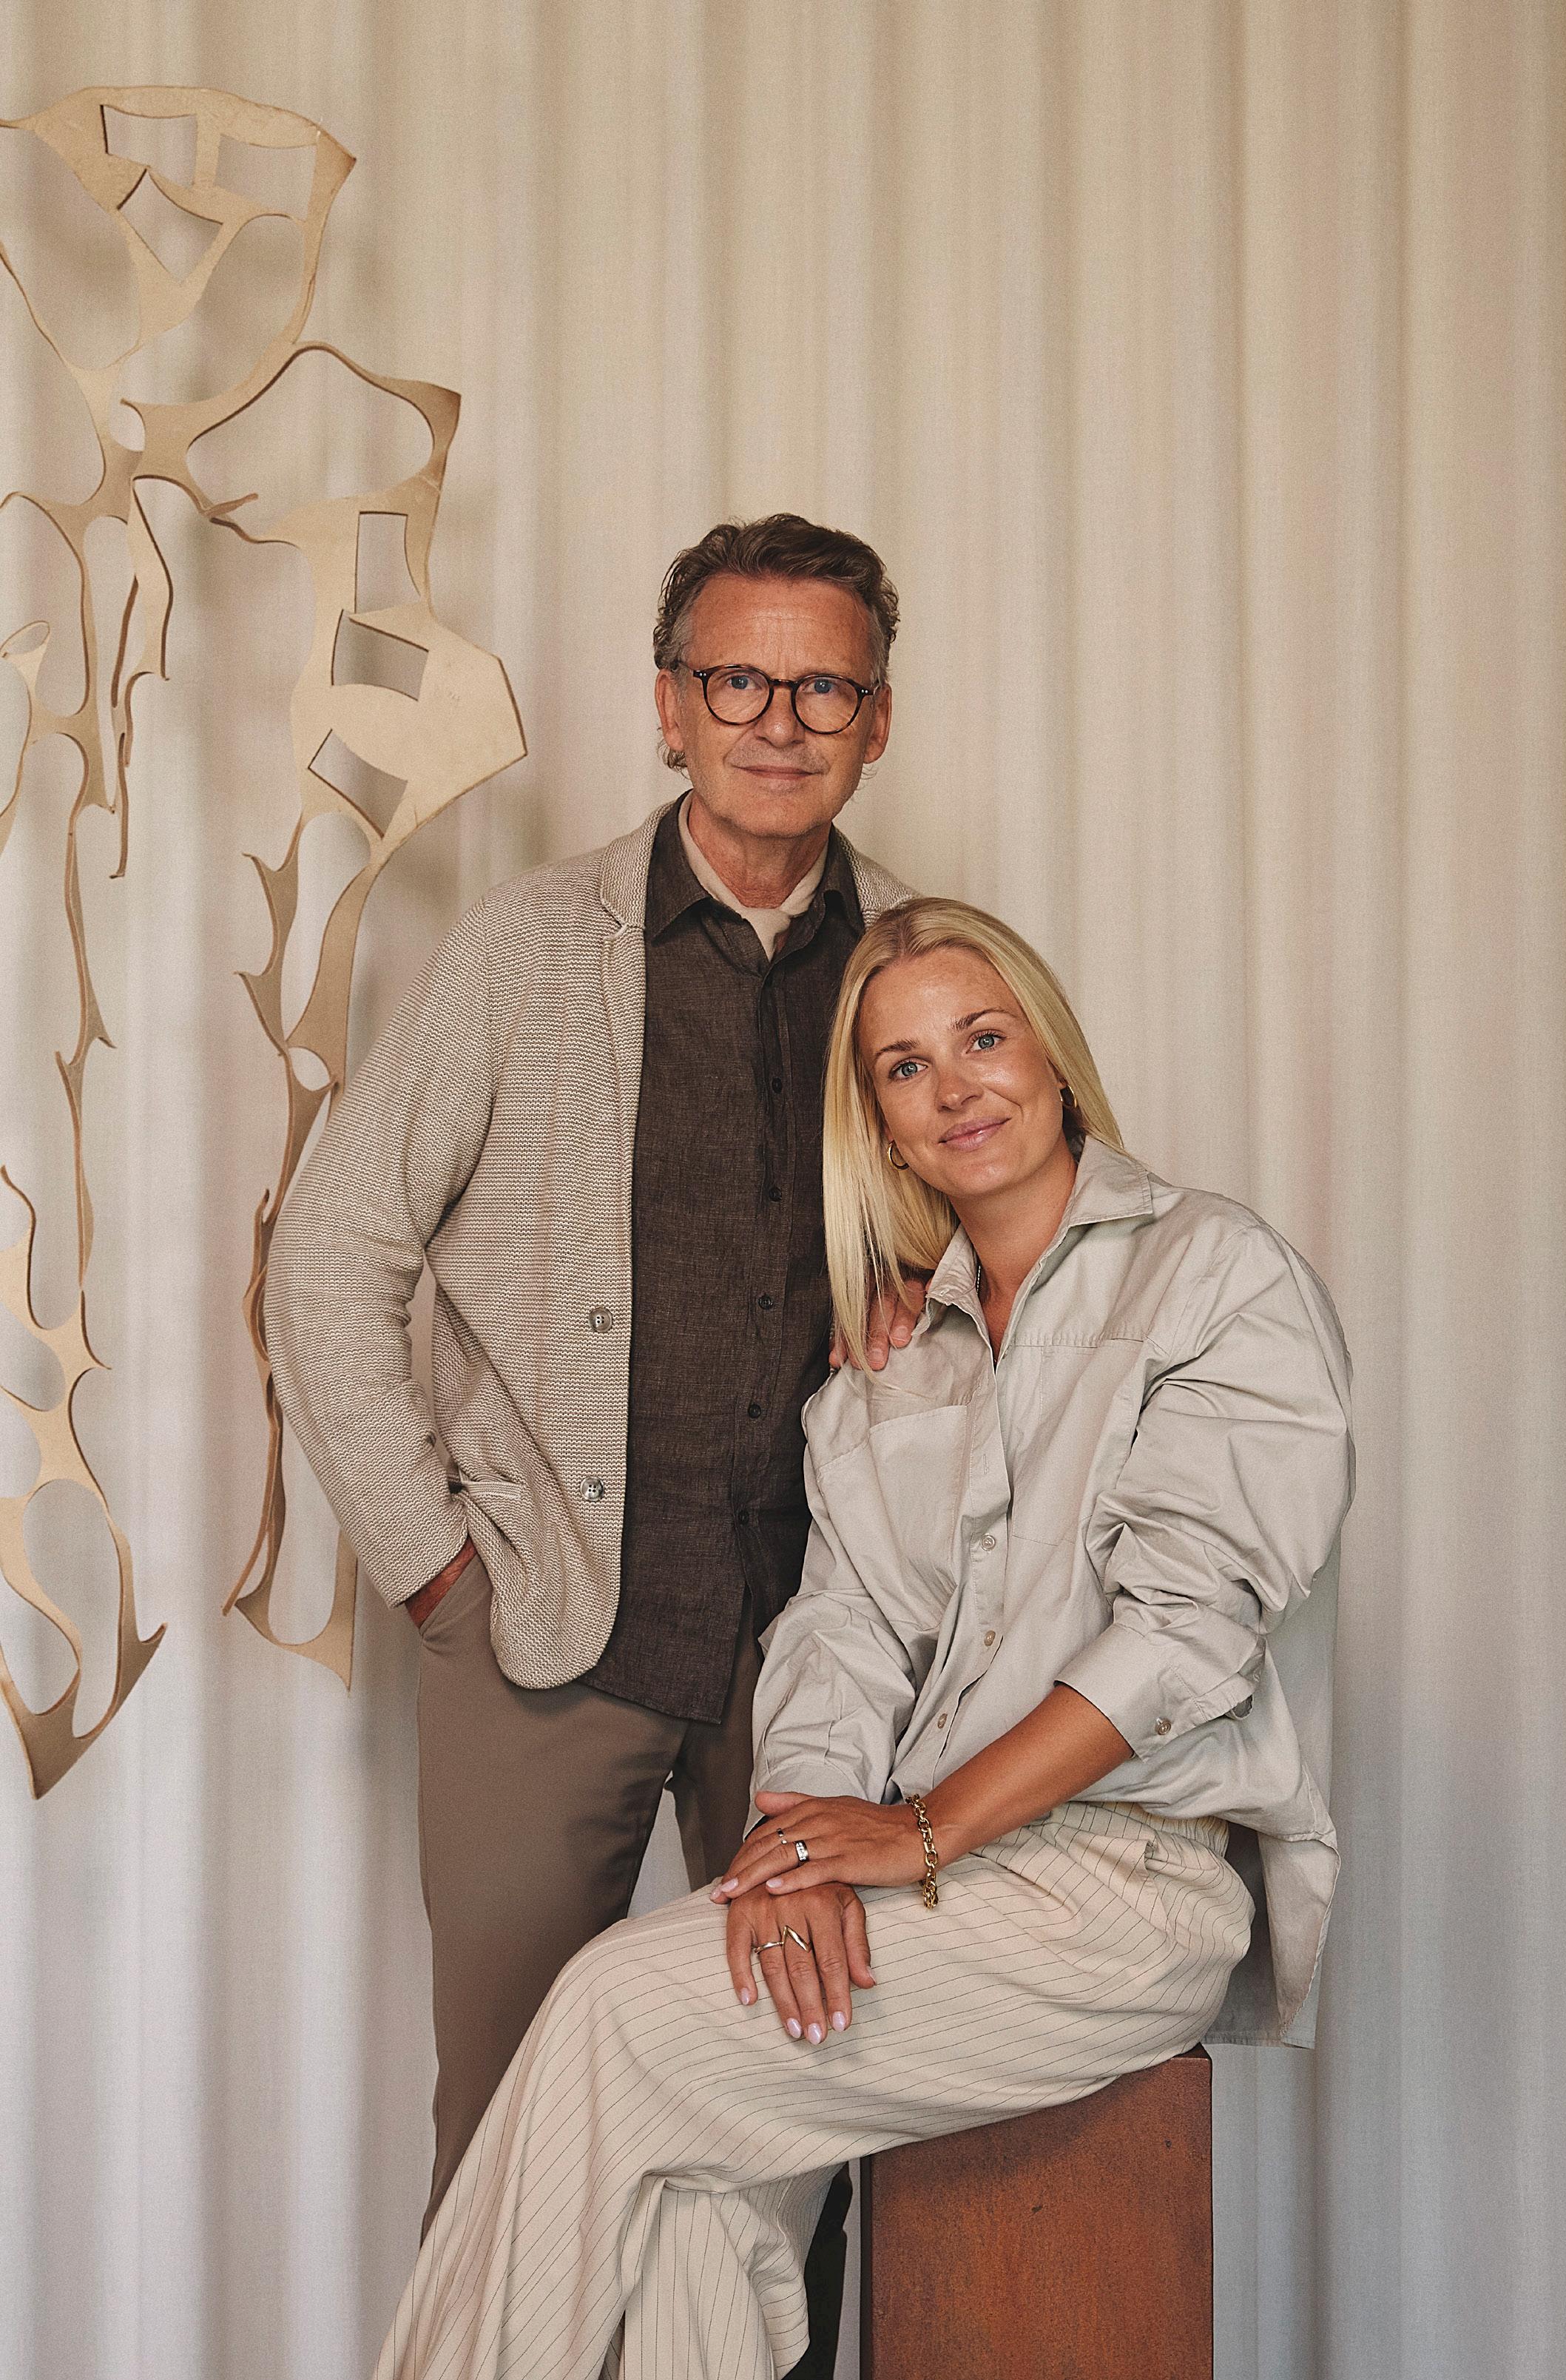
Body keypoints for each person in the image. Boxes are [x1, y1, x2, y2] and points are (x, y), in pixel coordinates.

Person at [371, 896, 1355, 2380]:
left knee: (612, 2011)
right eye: (905, 1067)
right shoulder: (889, 1364)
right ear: (882, 1127)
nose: (955, 1087)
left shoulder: (1216, 1274)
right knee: (695, 2195)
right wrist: (798, 1849)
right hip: (924, 1888)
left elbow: (1184, 1634)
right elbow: (839, 1631)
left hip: (1124, 1887)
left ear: (1053, 1055)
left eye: (983, 1038)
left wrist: (921, 1829)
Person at [264, 515, 919, 2367]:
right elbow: (334, 1252)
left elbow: (1000, 1234)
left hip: (827, 1657)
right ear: (668, 706)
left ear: (876, 721)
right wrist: (436, 1568)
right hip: (546, 1631)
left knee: (805, 2131)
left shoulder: (916, 967)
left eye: (823, 686)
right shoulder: (536, 943)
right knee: (511, 2141)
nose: (777, 719)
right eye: (738, 679)